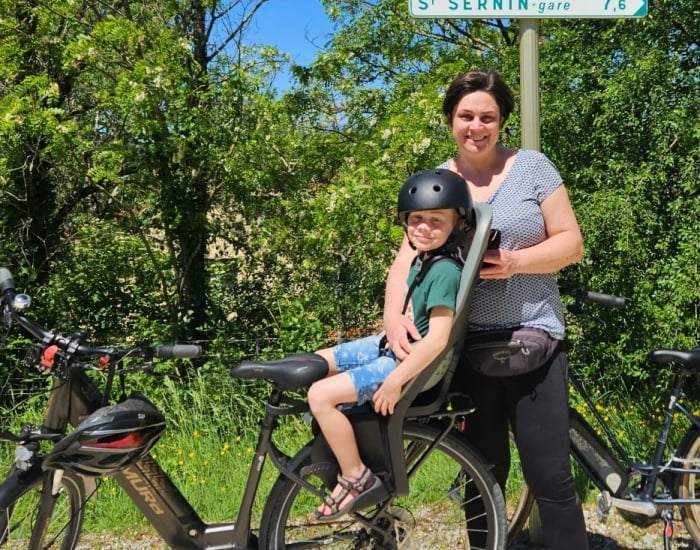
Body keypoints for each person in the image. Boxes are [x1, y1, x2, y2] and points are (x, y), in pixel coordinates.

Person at [382, 69, 588, 549]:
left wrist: (517, 262)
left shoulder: (533, 168)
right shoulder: (438, 182)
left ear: (502, 122)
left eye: (488, 117)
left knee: (550, 476)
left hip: (534, 339)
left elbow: (572, 243)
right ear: (451, 120)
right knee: (480, 475)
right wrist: (393, 314)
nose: (477, 126)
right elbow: (406, 257)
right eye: (466, 115)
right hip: (465, 349)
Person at [308, 168, 473, 520]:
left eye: (435, 220)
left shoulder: (444, 272)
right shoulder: (423, 259)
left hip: (407, 366)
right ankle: (336, 442)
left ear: (457, 224)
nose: (423, 227)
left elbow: (439, 339)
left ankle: (356, 475)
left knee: (319, 396)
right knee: (313, 364)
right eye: (416, 219)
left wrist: (396, 382)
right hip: (394, 348)